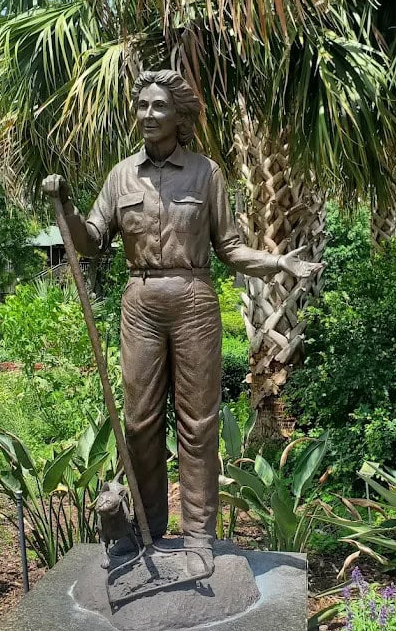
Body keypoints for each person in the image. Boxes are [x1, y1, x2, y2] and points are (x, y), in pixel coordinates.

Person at [43, 70, 320, 567]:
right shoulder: (121, 176)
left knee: (197, 423)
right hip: (141, 301)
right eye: (142, 106)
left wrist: (281, 263)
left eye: (159, 106)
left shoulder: (205, 173)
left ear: (179, 116)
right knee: (139, 421)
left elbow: (230, 248)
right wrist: (64, 205)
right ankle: (145, 530)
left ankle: (197, 538)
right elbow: (89, 240)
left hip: (193, 299)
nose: (148, 115)